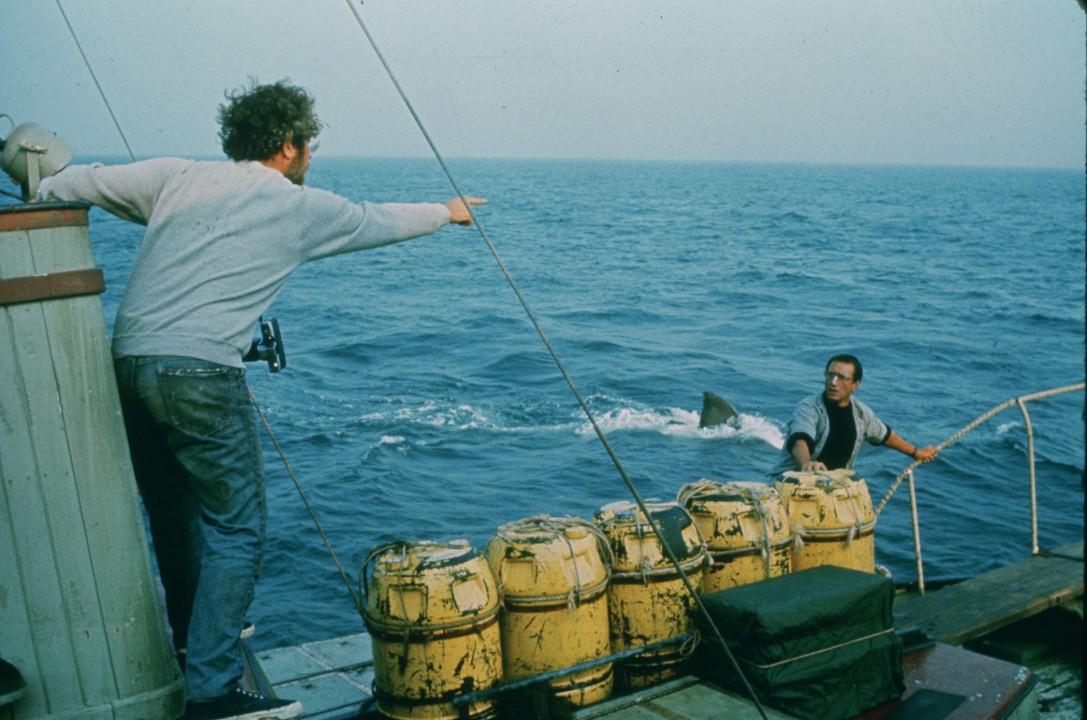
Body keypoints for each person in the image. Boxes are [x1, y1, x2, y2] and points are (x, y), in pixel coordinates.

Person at [33, 80, 484, 720]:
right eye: (307, 148)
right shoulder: (295, 205)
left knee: (174, 524)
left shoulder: (175, 177)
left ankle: (197, 656)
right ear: (288, 146)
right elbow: (376, 220)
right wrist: (448, 211)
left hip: (129, 369)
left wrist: (34, 174)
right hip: (201, 378)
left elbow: (77, 183)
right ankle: (214, 693)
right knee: (236, 530)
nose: (309, 160)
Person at [772, 354, 939, 476]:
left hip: (834, 486)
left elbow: (885, 436)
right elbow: (799, 440)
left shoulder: (861, 413)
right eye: (830, 375)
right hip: (793, 481)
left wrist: (915, 452)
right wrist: (807, 465)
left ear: (855, 384)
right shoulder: (809, 407)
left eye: (841, 378)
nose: (833, 382)